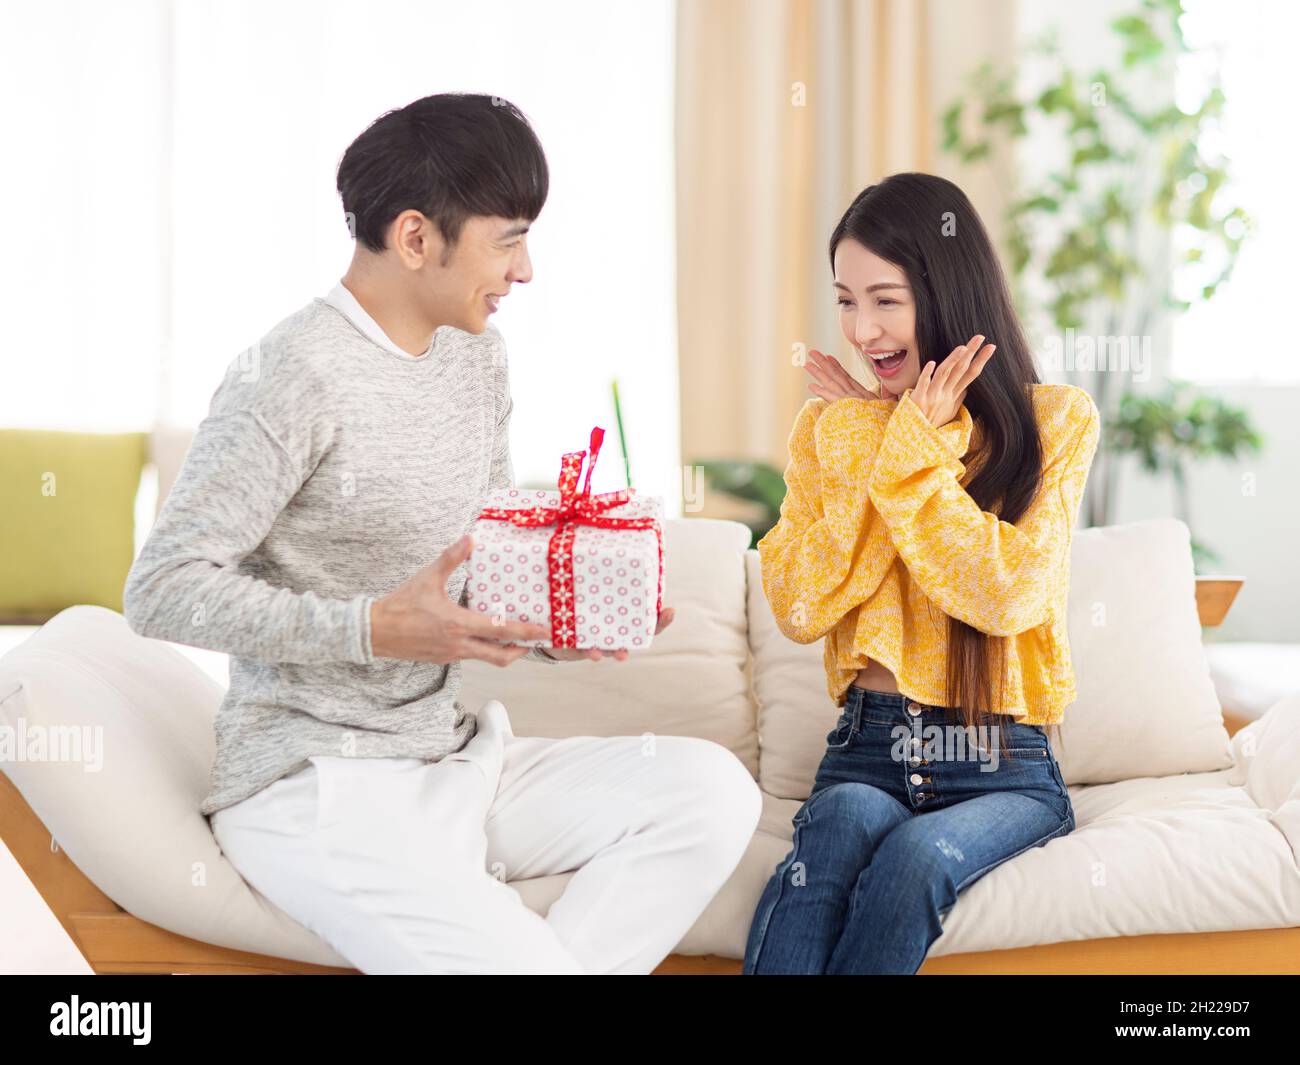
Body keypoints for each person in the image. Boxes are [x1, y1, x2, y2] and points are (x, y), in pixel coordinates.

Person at [122, 92, 760, 974]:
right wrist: (369, 628)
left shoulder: (476, 356)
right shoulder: (290, 374)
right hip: (315, 785)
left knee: (710, 789)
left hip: (452, 759)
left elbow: (476, 577)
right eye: (507, 239)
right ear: (416, 238)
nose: (526, 269)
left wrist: (557, 630)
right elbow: (160, 586)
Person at [742, 172, 1101, 974]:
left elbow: (1008, 592)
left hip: (1000, 764)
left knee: (915, 860)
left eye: (884, 299)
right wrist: (876, 434)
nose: (861, 328)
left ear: (944, 292)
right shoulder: (834, 430)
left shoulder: (1057, 420)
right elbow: (801, 601)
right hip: (866, 746)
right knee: (825, 852)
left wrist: (907, 457)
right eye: (844, 300)